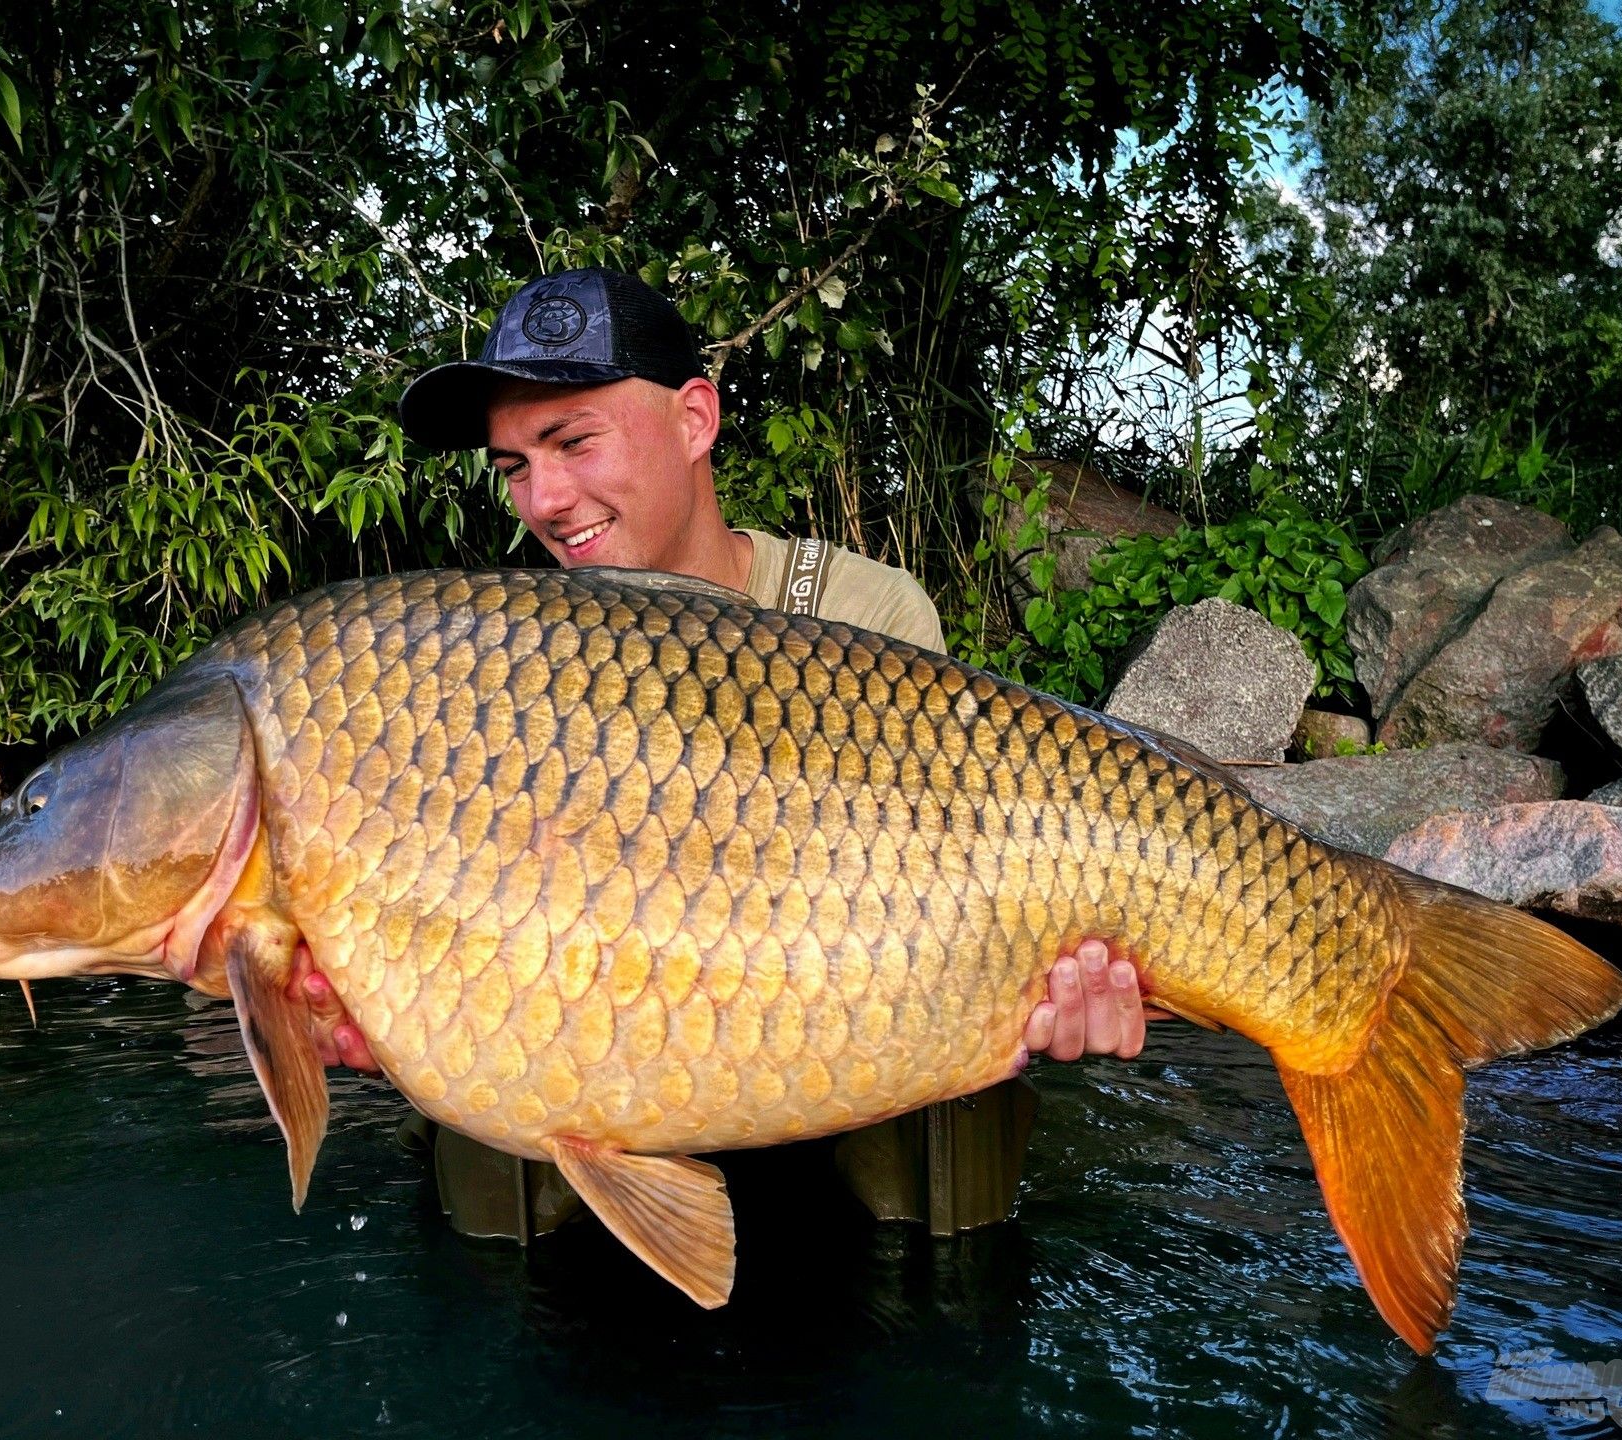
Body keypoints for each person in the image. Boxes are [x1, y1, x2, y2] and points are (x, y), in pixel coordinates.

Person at [293, 266, 1159, 1237]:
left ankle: (926, 1314)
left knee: (963, 1077)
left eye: (574, 443)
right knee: (477, 1069)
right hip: (610, 1045)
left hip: (838, 1050)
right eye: (515, 467)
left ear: (696, 419)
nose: (546, 498)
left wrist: (1061, 984)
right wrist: (385, 991)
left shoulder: (865, 615)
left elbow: (954, 902)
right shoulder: (493, 662)